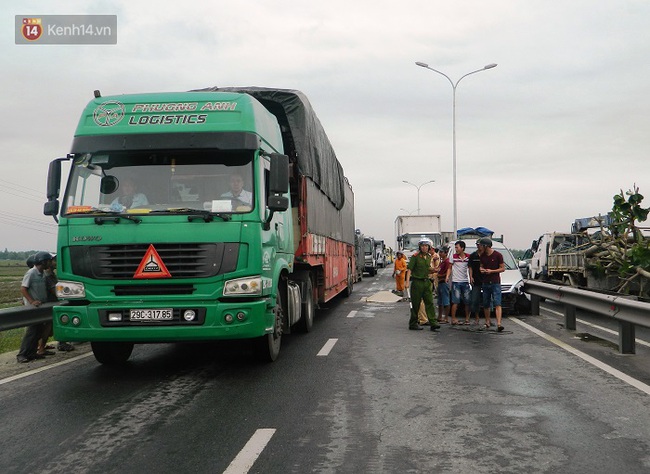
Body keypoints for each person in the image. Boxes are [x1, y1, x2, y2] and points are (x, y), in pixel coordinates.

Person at [17, 251, 53, 363]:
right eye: (48, 261)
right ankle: (22, 354)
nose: (50, 263)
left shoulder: (42, 273)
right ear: (43, 261)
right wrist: (31, 301)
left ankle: (32, 353)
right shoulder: (31, 273)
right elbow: (23, 288)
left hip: (40, 307)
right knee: (31, 332)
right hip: (32, 308)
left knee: (38, 330)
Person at [406, 239, 440, 331]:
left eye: (426, 246)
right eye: (422, 246)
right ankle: (413, 323)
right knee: (416, 304)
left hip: (426, 282)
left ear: (429, 247)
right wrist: (407, 282)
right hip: (417, 282)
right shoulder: (415, 257)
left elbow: (427, 268)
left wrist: (434, 270)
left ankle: (433, 323)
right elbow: (410, 269)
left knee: (429, 302)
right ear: (420, 247)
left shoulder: (429, 257)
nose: (424, 247)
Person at [478, 237, 506, 331]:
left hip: (495, 282)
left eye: (481, 245)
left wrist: (492, 271)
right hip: (485, 282)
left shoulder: (498, 255)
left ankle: (499, 323)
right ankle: (487, 321)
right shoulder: (482, 256)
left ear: (486, 246)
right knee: (486, 303)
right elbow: (481, 267)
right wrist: (482, 270)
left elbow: (502, 268)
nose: (480, 247)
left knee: (497, 302)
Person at [448, 240, 471, 325]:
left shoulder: (468, 257)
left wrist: (471, 278)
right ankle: (453, 319)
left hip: (465, 281)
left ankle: (467, 319)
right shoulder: (453, 257)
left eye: (457, 247)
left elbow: (470, 268)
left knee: (467, 301)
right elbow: (449, 267)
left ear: (462, 248)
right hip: (456, 281)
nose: (456, 249)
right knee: (455, 301)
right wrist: (447, 276)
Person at [468, 241, 484, 325]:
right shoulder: (473, 255)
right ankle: (476, 318)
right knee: (475, 300)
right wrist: (471, 277)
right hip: (476, 280)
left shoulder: (486, 255)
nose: (479, 246)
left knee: (487, 300)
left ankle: (487, 319)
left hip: (486, 280)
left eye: (480, 245)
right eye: (478, 245)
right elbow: (470, 267)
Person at [436, 246, 451, 324]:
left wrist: (439, 276)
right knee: (440, 301)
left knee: (446, 301)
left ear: (446, 253)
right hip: (440, 282)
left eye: (441, 252)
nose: (440, 254)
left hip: (444, 282)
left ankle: (446, 318)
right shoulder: (442, 262)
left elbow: (448, 273)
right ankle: (440, 316)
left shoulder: (447, 262)